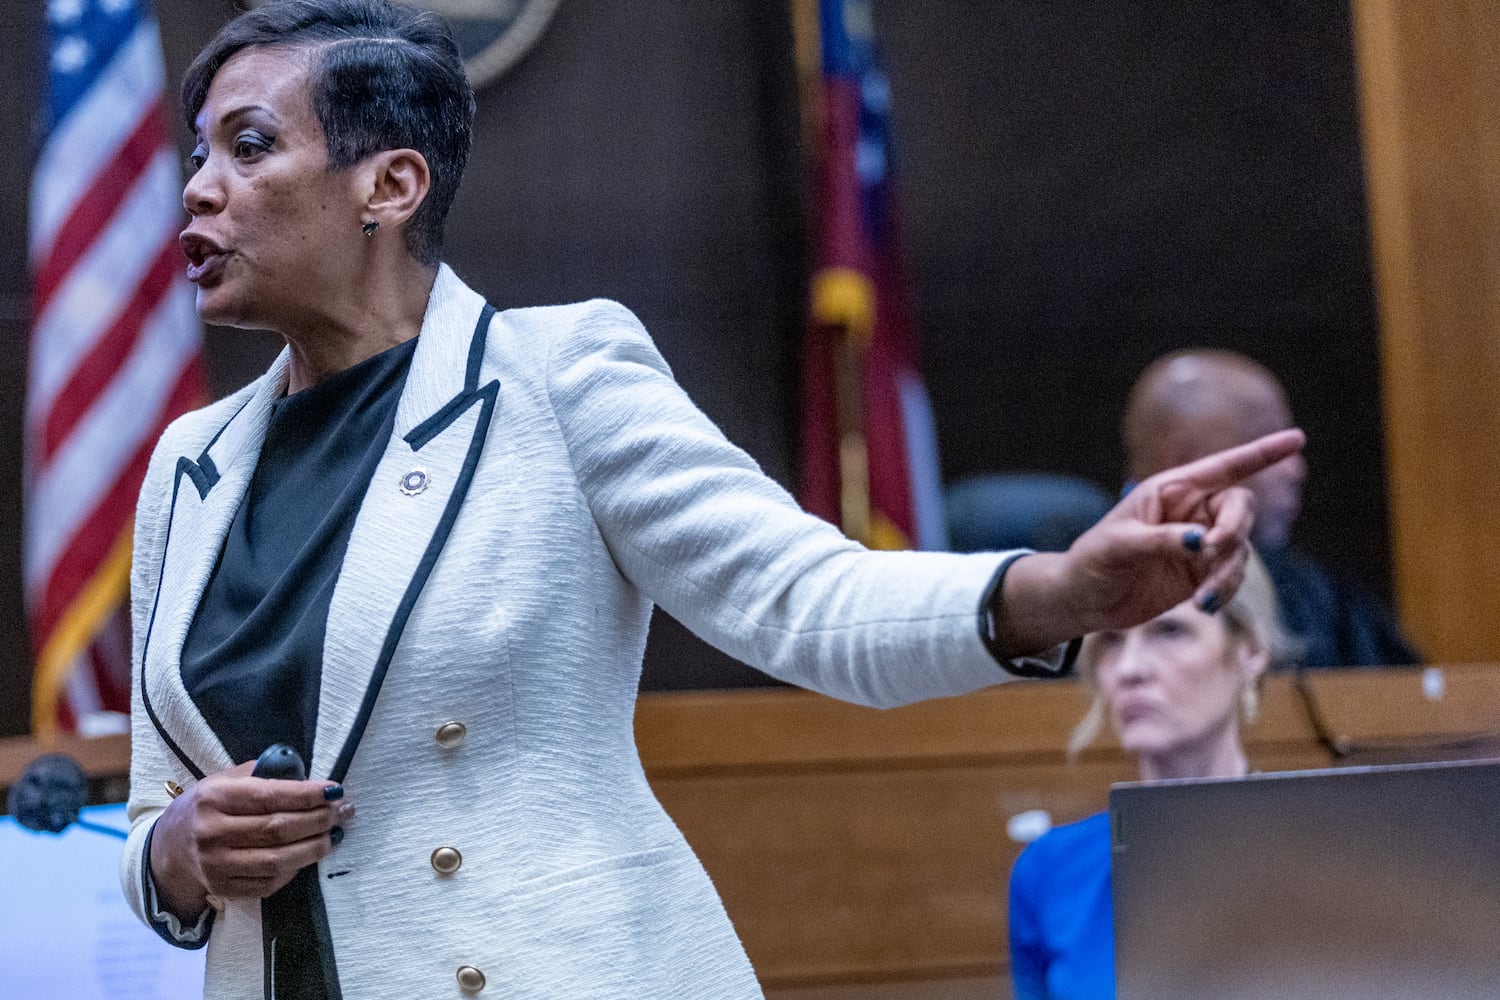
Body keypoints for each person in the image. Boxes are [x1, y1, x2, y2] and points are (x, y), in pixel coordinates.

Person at [119, 3, 1302, 997]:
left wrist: (1059, 591)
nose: (199, 190)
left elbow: (802, 596)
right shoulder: (190, 463)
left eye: (248, 146)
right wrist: (178, 852)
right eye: (197, 156)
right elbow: (155, 812)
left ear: (389, 183)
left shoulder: (558, 376)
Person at [1007, 553, 1296, 1000]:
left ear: (1250, 650)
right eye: (1111, 641)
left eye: (1170, 631)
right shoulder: (1050, 870)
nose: (1130, 669)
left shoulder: (1328, 849)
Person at [1124, 349, 1419, 669]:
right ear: (1186, 461)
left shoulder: (1320, 599)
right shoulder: (1101, 581)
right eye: (1267, 442)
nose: (1295, 471)